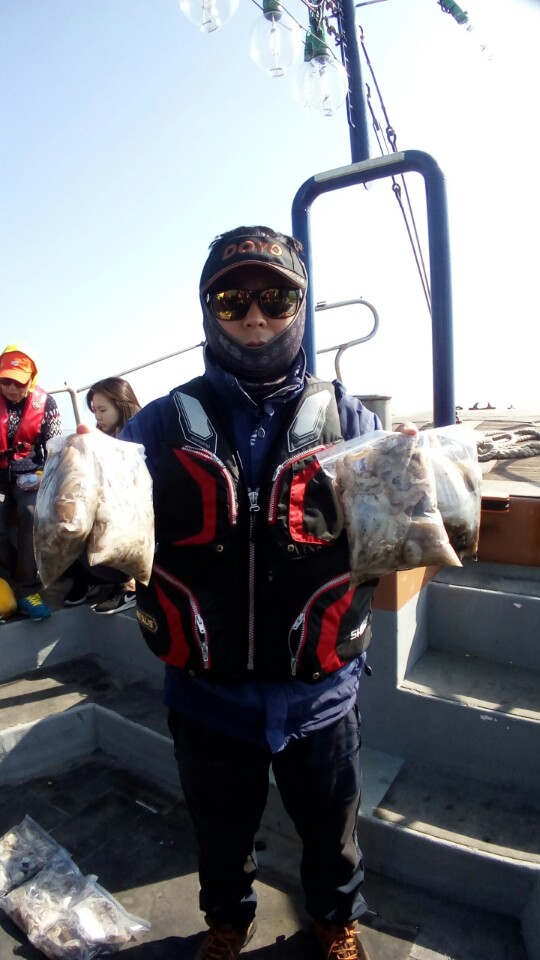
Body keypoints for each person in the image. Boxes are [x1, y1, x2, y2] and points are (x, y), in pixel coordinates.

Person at [121, 226, 414, 960]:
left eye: (277, 298)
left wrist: (412, 472)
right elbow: (104, 536)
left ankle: (335, 920)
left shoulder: (354, 420)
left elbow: (396, 541)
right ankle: (228, 921)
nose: (255, 317)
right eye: (232, 300)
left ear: (301, 307)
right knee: (219, 830)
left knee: (331, 830)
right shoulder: (155, 424)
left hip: (321, 693)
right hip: (206, 694)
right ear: (208, 311)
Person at [63, 377, 142, 612]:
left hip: (135, 519)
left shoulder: (141, 432)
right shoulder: (101, 437)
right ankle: (88, 578)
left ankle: (128, 585)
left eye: (102, 410)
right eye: (94, 410)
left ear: (122, 404)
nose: (97, 416)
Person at [0, 344, 62, 620]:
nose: (11, 388)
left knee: (31, 511)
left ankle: (27, 589)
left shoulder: (47, 404)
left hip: (30, 475)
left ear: (32, 380)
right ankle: (3, 584)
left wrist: (41, 476)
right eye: (5, 381)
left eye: (19, 382)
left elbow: (55, 449)